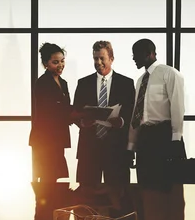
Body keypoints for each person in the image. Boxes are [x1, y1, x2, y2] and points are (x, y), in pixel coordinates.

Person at [127, 38, 185, 220]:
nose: (133, 58)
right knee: (147, 190)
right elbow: (137, 114)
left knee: (169, 192)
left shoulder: (170, 74)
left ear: (148, 53)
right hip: (146, 138)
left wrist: (176, 139)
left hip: (164, 135)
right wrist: (131, 145)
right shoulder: (140, 80)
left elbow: (178, 107)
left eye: (136, 53)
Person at [72, 41, 134, 188]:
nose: (98, 62)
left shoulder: (126, 84)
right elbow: (75, 111)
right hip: (89, 149)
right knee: (87, 198)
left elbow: (132, 113)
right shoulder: (83, 83)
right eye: (95, 59)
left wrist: (122, 121)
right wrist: (82, 122)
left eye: (102, 58)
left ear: (111, 59)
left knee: (119, 197)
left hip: (116, 149)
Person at [29, 42, 81, 183]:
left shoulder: (63, 83)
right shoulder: (42, 83)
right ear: (46, 63)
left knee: (54, 176)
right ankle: (45, 204)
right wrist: (76, 115)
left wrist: (79, 115)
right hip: (45, 138)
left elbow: (64, 106)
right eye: (55, 62)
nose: (60, 65)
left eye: (62, 61)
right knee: (46, 176)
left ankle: (51, 203)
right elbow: (51, 110)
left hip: (57, 136)